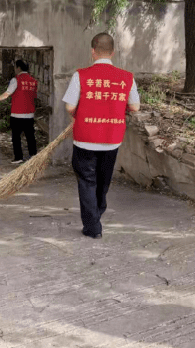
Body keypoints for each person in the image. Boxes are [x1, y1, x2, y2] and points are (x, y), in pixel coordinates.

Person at [63, 33, 140, 239]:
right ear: (113, 52)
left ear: (92, 52)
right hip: (112, 139)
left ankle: (93, 226)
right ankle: (96, 213)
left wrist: (80, 114)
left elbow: (70, 106)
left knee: (87, 181)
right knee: (103, 181)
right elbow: (134, 106)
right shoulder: (127, 77)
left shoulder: (81, 75)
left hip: (85, 137)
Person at [0, 60, 38, 164]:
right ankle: (34, 156)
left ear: (18, 68)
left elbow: (7, 94)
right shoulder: (34, 81)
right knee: (30, 137)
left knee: (16, 137)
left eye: (15, 67)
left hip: (17, 114)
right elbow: (33, 96)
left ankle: (18, 157)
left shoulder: (16, 79)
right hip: (30, 114)